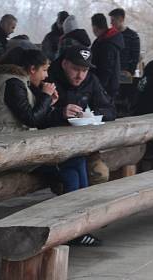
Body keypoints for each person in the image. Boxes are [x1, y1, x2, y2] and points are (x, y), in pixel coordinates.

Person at [0, 48, 100, 246]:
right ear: (32, 69)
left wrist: (52, 105)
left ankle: (80, 225)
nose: (46, 75)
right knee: (70, 167)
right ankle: (71, 228)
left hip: (21, 143)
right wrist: (46, 97)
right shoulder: (13, 83)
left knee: (77, 159)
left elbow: (35, 118)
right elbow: (31, 118)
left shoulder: (20, 82)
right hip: (11, 147)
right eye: (44, 70)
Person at [46, 45, 116, 185]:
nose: (80, 76)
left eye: (84, 70)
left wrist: (90, 115)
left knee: (100, 174)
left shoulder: (91, 80)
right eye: (76, 69)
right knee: (73, 177)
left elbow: (111, 110)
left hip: (83, 144)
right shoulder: (48, 77)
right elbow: (36, 118)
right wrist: (60, 113)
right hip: (53, 145)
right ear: (64, 64)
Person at [90, 13, 124, 99]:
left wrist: (99, 87)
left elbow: (106, 68)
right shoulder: (107, 40)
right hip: (110, 84)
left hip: (105, 87)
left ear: (94, 27)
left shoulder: (106, 44)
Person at [109, 8, 141, 76]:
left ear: (121, 19)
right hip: (111, 73)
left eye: (113, 20)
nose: (111, 23)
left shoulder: (133, 36)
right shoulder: (110, 35)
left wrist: (130, 71)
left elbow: (135, 57)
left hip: (125, 73)